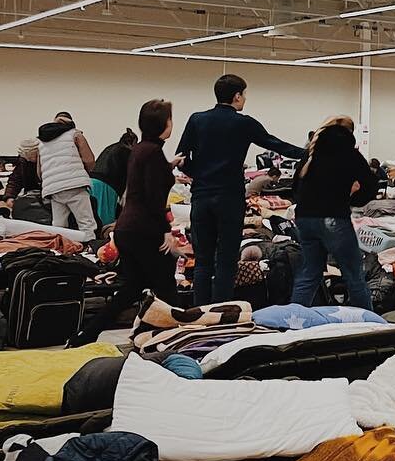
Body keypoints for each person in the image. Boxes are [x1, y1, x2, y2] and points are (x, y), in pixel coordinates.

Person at [176, 74, 305, 304]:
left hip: (202, 196)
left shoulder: (197, 120)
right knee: (226, 261)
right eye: (244, 95)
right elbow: (276, 144)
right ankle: (222, 314)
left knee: (203, 261)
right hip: (229, 197)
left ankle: (199, 313)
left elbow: (182, 158)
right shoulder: (244, 123)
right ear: (237, 96)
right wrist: (309, 152)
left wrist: (202, 176)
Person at [71, 99, 184, 345]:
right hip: (145, 229)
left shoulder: (141, 149)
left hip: (128, 228)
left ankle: (85, 335)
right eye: (170, 118)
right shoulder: (152, 152)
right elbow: (152, 196)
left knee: (131, 289)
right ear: (164, 124)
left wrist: (168, 166)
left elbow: (145, 183)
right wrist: (166, 231)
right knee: (166, 287)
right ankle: (179, 339)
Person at [291, 116, 379, 310]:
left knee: (310, 272)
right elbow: (371, 186)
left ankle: (293, 320)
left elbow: (295, 188)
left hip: (304, 219)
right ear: (350, 133)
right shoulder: (349, 154)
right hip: (333, 218)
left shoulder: (311, 154)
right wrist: (352, 200)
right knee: (354, 275)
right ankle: (368, 324)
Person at [37, 111, 97, 238]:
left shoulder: (42, 142)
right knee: (86, 223)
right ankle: (89, 249)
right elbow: (89, 160)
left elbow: (39, 172)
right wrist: (84, 172)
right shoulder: (75, 134)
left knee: (59, 226)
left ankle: (60, 251)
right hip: (75, 185)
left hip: (53, 189)